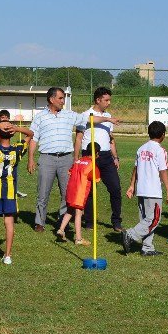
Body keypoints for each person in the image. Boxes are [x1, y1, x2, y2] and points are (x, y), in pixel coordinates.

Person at [0, 119, 33, 264]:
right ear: (12, 135)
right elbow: (31, 134)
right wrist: (15, 128)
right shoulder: (17, 149)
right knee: (9, 223)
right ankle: (7, 256)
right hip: (10, 191)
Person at [27, 87, 79, 232]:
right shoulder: (39, 117)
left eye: (64, 98)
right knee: (43, 192)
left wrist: (107, 118)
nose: (63, 101)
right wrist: (30, 159)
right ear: (51, 99)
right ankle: (39, 222)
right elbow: (33, 139)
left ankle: (63, 221)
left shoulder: (69, 115)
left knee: (66, 193)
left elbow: (88, 118)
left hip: (66, 159)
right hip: (47, 159)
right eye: (61, 98)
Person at [74, 87, 124, 231]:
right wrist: (76, 158)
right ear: (98, 100)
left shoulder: (109, 116)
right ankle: (89, 222)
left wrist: (115, 157)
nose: (109, 103)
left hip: (107, 158)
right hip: (89, 157)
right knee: (89, 191)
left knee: (115, 188)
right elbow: (78, 138)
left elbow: (111, 139)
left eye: (110, 100)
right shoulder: (85, 114)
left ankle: (116, 221)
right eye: (106, 100)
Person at [123, 121, 168, 256]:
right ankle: (130, 235)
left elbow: (136, 168)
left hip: (141, 189)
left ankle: (147, 248)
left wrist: (132, 185)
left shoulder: (141, 148)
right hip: (153, 191)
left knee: (145, 219)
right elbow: (163, 171)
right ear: (163, 135)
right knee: (153, 220)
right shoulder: (160, 150)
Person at [56, 143, 101, 246]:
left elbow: (69, 172)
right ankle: (78, 238)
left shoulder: (78, 161)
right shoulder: (91, 164)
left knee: (70, 210)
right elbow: (97, 179)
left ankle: (61, 230)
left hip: (71, 190)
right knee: (79, 214)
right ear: (97, 153)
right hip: (80, 193)